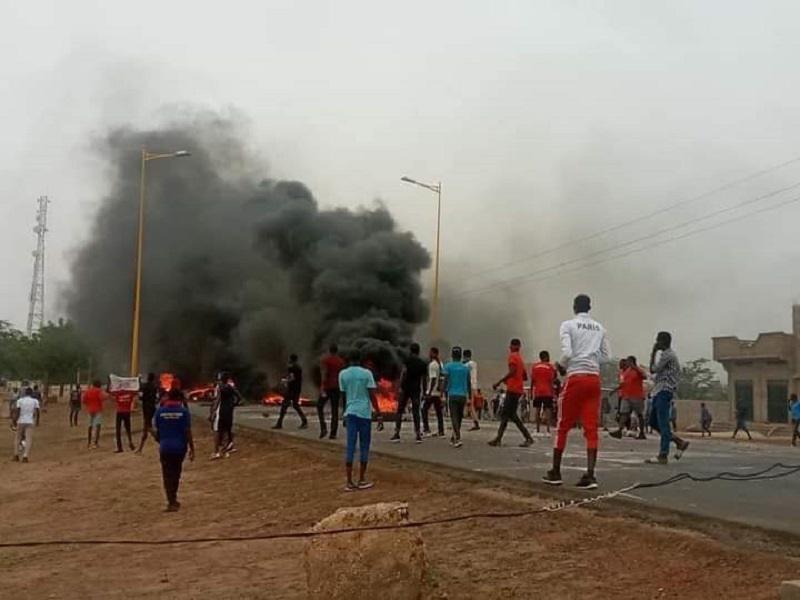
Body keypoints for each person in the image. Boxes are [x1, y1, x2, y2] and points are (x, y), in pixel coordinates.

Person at [542, 294, 610, 489]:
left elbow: (568, 353)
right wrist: (591, 360)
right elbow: (607, 356)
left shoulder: (568, 325)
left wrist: (561, 365)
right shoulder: (600, 328)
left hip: (576, 376)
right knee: (591, 428)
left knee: (563, 424)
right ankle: (590, 474)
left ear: (574, 307)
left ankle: (555, 472)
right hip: (594, 379)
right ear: (590, 307)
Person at [339, 349, 381, 491]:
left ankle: (349, 482)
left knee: (350, 446)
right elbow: (372, 395)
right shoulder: (366, 374)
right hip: (364, 414)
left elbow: (344, 396)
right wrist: (379, 413)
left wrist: (344, 413)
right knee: (364, 446)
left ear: (349, 359)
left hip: (350, 413)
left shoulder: (343, 374)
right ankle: (362, 479)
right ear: (361, 359)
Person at [645, 332, 690, 464]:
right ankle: (679, 442)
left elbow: (653, 369)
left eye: (658, 341)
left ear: (663, 342)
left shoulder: (668, 355)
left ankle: (663, 454)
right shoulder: (666, 355)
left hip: (665, 391)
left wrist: (653, 353)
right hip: (659, 390)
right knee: (653, 422)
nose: (656, 343)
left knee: (664, 424)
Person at [154, 387, 195, 511]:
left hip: (165, 447)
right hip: (179, 448)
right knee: (176, 474)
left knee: (167, 475)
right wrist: (192, 448)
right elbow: (187, 432)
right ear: (179, 398)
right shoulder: (184, 412)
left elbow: (158, 433)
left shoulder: (159, 412)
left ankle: (171, 501)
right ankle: (174, 499)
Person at [489, 339, 534, 448]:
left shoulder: (513, 356)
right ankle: (499, 438)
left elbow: (512, 371)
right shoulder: (520, 358)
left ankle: (527, 438)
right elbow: (524, 376)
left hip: (513, 389)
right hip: (518, 389)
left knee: (507, 414)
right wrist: (512, 378)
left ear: (513, 346)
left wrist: (500, 381)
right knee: (511, 415)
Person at [391, 342, 428, 443]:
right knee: (416, 412)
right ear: (418, 351)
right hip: (416, 390)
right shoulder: (422, 363)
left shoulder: (407, 361)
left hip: (406, 389)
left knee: (400, 411)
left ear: (410, 351)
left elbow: (403, 373)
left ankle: (397, 433)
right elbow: (424, 379)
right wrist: (424, 392)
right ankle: (418, 434)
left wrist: (400, 386)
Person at [610, 356, 647, 440]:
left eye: (628, 361)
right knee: (623, 413)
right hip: (626, 396)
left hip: (637, 396)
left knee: (639, 415)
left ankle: (642, 433)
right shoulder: (626, 372)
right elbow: (623, 383)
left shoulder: (638, 370)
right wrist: (615, 390)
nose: (627, 363)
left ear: (632, 361)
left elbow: (644, 376)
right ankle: (619, 430)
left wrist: (635, 368)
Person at [442, 346, 472, 448]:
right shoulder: (465, 368)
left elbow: (445, 380)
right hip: (462, 396)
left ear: (452, 355)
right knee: (459, 418)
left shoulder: (448, 366)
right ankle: (453, 437)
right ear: (460, 356)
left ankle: (457, 437)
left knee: (454, 417)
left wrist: (442, 393)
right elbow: (469, 383)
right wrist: (470, 397)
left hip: (452, 395)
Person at [212, 373, 243, 459]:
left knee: (217, 431)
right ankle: (225, 452)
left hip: (221, 411)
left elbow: (217, 400)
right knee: (226, 431)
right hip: (229, 412)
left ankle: (216, 452)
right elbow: (240, 398)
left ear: (221, 380)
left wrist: (213, 412)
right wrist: (234, 404)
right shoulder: (231, 388)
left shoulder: (220, 388)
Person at [274, 354, 308, 430]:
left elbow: (292, 377)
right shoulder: (299, 367)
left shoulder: (292, 368)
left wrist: (285, 381)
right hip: (297, 388)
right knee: (295, 405)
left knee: (284, 406)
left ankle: (279, 423)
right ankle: (304, 421)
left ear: (291, 359)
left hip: (292, 389)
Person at [319, 344, 346, 439]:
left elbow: (324, 373)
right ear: (337, 351)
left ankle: (323, 428)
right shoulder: (341, 361)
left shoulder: (326, 360)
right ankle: (333, 433)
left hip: (327, 387)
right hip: (337, 388)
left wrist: (322, 387)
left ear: (329, 350)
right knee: (335, 410)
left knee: (319, 406)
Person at [531, 351, 557, 435]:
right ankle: (548, 430)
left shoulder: (535, 366)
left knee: (537, 410)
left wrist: (531, 391)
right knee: (548, 410)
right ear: (546, 357)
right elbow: (553, 378)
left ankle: (537, 429)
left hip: (538, 391)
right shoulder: (550, 367)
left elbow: (533, 380)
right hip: (548, 391)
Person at [11, 387, 40, 462]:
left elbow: (18, 411)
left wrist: (14, 420)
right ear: (32, 393)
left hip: (21, 420)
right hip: (30, 421)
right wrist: (37, 421)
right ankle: (25, 456)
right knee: (28, 439)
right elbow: (37, 412)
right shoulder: (35, 401)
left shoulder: (20, 401)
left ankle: (16, 455)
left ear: (25, 393)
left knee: (17, 438)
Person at [421, 347, 445, 437]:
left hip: (432, 392)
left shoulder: (432, 365)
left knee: (424, 410)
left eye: (430, 353)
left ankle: (426, 429)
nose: (429, 354)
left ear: (434, 354)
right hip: (437, 393)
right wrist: (441, 391)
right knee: (439, 412)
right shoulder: (440, 364)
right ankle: (441, 431)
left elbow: (433, 379)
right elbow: (442, 378)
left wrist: (429, 392)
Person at [136, 373, 159, 453]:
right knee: (146, 427)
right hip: (153, 408)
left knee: (147, 426)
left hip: (146, 408)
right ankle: (140, 448)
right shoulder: (155, 387)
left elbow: (140, 397)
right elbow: (157, 399)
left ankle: (157, 437)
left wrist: (138, 379)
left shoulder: (144, 386)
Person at [82, 379, 105, 449]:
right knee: (98, 426)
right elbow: (103, 397)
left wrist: (89, 404)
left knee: (90, 426)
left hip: (90, 410)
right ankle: (95, 443)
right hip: (98, 410)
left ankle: (89, 443)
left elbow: (84, 400)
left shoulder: (87, 391)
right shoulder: (99, 391)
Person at [113, 386, 136, 453]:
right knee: (128, 429)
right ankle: (130, 442)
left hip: (120, 412)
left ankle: (120, 447)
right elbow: (132, 400)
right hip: (127, 412)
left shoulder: (118, 393)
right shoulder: (130, 394)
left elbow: (116, 401)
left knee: (118, 430)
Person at [462, 349, 481, 431]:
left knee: (470, 404)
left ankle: (476, 423)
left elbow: (464, 366)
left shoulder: (468, 364)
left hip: (470, 387)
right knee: (469, 405)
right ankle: (475, 422)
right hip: (473, 386)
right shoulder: (474, 363)